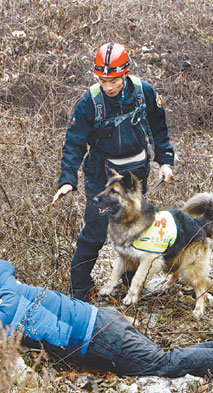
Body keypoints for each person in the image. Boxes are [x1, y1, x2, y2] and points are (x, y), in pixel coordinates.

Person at [0, 259, 213, 380]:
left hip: (99, 336)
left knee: (162, 365)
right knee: (161, 357)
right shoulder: (0, 284)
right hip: (100, 324)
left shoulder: (5, 297)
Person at [52, 42, 175, 302]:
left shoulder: (144, 93)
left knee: (136, 229)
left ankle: (132, 283)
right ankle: (79, 290)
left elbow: (159, 128)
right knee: (95, 230)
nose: (109, 86)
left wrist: (165, 161)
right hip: (102, 176)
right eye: (103, 79)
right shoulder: (90, 101)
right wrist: (68, 179)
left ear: (125, 74)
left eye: (115, 80)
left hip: (134, 177)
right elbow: (74, 142)